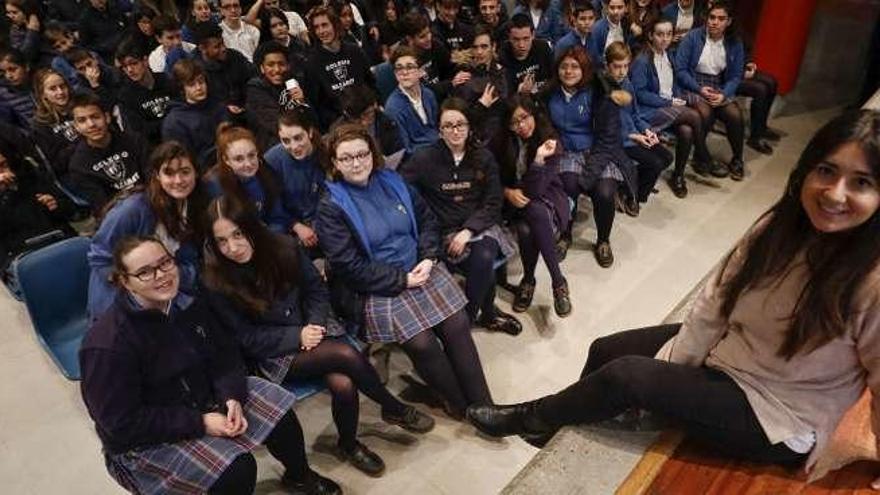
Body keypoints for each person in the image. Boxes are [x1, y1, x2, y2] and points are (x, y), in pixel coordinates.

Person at [468, 110, 880, 481]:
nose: (836, 193)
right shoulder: (780, 226)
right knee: (606, 349)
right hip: (735, 354)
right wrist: (677, 366)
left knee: (626, 375)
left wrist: (659, 380)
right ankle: (560, 426)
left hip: (777, 413)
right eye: (827, 171)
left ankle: (528, 417)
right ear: (807, 170)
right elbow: (716, 300)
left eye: (861, 182)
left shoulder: (872, 277)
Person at [79, 236, 342, 495]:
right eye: (145, 272)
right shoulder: (107, 344)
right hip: (145, 439)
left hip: (202, 399)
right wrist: (200, 423)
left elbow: (225, 355)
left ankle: (299, 477)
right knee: (238, 468)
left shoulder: (189, 303)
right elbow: (122, 424)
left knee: (280, 412)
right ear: (125, 282)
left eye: (165, 263)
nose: (161, 275)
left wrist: (231, 396)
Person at [203, 196, 435, 477]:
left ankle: (349, 444)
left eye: (237, 234)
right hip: (275, 352)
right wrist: (297, 335)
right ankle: (392, 407)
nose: (232, 247)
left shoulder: (283, 246)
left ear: (252, 228)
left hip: (315, 330)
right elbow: (244, 338)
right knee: (346, 355)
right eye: (222, 241)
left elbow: (316, 289)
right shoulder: (216, 280)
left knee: (344, 384)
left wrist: (313, 324)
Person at [316, 123, 494, 419]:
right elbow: (349, 267)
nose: (357, 162)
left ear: (372, 155)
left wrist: (428, 256)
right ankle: (461, 406)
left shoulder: (394, 182)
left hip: (419, 268)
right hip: (377, 286)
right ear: (335, 163)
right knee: (421, 342)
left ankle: (486, 407)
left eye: (362, 154)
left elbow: (427, 222)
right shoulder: (331, 206)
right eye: (346, 158)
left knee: (458, 324)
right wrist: (402, 280)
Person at [401, 98, 522, 335]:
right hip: (443, 231)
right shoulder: (424, 158)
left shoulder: (483, 157)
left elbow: (493, 200)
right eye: (448, 126)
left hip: (478, 226)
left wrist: (468, 231)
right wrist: (423, 214)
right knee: (483, 262)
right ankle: (487, 315)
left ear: (469, 127)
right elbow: (401, 187)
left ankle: (466, 320)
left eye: (460, 124)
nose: (455, 131)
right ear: (440, 130)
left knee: (484, 255)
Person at [87, 141, 206, 320]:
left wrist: (184, 277)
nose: (178, 180)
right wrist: (137, 284)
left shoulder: (192, 204)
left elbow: (188, 259)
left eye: (185, 172)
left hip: (167, 284)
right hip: (123, 296)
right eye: (169, 173)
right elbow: (100, 257)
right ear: (157, 175)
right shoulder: (132, 209)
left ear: (196, 173)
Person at [491, 95, 572, 316]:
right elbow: (488, 179)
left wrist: (537, 160)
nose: (521, 126)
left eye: (525, 118)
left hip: (547, 198)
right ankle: (558, 282)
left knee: (529, 226)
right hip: (512, 203)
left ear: (533, 114)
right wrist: (506, 192)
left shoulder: (549, 141)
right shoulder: (500, 141)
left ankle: (530, 280)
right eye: (514, 122)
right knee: (530, 215)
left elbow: (535, 191)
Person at [630, 17, 714, 197]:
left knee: (687, 131)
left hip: (669, 103)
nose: (665, 39)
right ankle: (703, 155)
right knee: (692, 116)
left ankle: (678, 176)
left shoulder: (669, 55)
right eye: (660, 35)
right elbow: (639, 94)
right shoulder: (643, 61)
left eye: (669, 34)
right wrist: (669, 102)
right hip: (648, 110)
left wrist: (677, 97)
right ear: (651, 36)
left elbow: (672, 85)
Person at [675, 1, 746, 180]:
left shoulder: (735, 42)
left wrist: (724, 94)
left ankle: (737, 159)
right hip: (693, 83)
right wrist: (698, 89)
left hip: (718, 86)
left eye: (721, 19)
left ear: (728, 22)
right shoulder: (692, 37)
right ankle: (700, 157)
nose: (715, 22)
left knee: (735, 115)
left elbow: (736, 76)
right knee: (705, 112)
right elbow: (680, 70)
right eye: (712, 17)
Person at [0, 139, 77, 299]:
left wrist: (55, 205)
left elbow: (71, 210)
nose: (3, 174)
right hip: (21, 257)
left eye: (3, 165)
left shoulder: (30, 175)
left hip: (59, 240)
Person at [605, 41, 672, 208]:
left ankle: (630, 186)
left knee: (667, 157)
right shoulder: (602, 90)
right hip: (617, 141)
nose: (622, 71)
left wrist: (647, 131)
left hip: (634, 135)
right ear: (607, 66)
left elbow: (635, 115)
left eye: (626, 66)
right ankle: (634, 194)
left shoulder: (627, 84)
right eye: (617, 66)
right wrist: (634, 136)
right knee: (654, 163)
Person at [65, 93, 149, 214]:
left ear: (107, 117)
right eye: (82, 120)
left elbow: (152, 177)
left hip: (152, 200)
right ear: (76, 127)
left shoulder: (135, 140)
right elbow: (102, 206)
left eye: (95, 117)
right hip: (120, 215)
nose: (91, 124)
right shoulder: (78, 165)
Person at [204, 123, 288, 233]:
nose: (248, 164)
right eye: (239, 159)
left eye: (251, 155)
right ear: (226, 160)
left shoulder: (265, 172)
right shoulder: (215, 186)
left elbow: (278, 217)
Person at [305, 6, 375, 129]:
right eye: (316, 27)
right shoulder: (312, 62)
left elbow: (370, 83)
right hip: (340, 124)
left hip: (366, 114)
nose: (321, 31)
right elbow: (318, 105)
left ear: (335, 25)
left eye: (325, 25)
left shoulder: (354, 51)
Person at [264, 109, 325, 249]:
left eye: (298, 138)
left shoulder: (325, 152)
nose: (294, 146)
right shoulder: (272, 160)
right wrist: (296, 226)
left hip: (324, 220)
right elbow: (272, 204)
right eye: (286, 141)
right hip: (291, 225)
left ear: (309, 132)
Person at [162, 58, 231, 171]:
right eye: (191, 84)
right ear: (182, 88)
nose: (199, 87)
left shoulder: (218, 104)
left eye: (201, 81)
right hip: (205, 173)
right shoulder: (174, 122)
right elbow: (184, 161)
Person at [245, 41, 313, 150]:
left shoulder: (294, 82)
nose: (277, 70)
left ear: (288, 65)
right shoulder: (255, 89)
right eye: (270, 65)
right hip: (276, 145)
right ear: (262, 68)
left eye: (281, 64)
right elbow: (276, 125)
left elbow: (313, 119)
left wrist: (301, 101)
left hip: (303, 137)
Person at [383, 45, 440, 155]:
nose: (404, 73)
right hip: (418, 158)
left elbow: (435, 127)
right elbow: (405, 150)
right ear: (395, 74)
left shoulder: (428, 94)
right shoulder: (393, 109)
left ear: (421, 71)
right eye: (399, 68)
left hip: (438, 147)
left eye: (409, 67)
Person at [115, 42, 174, 146]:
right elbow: (139, 130)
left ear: (145, 61)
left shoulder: (166, 80)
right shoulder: (125, 96)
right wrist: (170, 121)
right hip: (154, 146)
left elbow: (182, 109)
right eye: (124, 66)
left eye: (134, 63)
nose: (129, 70)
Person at [30, 68, 78, 175]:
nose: (60, 92)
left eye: (62, 86)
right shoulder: (39, 124)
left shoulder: (81, 105)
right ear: (43, 94)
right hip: (72, 171)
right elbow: (55, 165)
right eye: (53, 89)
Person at [500, 13, 555, 96]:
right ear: (509, 38)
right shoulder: (503, 57)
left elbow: (555, 77)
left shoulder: (543, 48)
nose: (521, 45)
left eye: (526, 38)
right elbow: (505, 95)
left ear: (533, 35)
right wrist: (519, 91)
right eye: (516, 39)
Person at [0, 49, 36, 129]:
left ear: (26, 67)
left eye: (12, 69)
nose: (8, 76)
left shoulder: (41, 83)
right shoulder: (4, 96)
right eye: (3, 72)